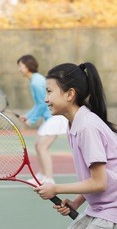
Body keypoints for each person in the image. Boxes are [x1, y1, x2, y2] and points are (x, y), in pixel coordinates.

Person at [35, 62, 117, 228]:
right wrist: (76, 202)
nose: (45, 99)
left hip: (112, 212)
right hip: (98, 209)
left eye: (49, 92)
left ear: (70, 94)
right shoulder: (74, 124)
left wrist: (56, 188)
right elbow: (93, 178)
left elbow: (99, 182)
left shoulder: (87, 127)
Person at [17, 55, 68, 185]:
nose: (19, 69)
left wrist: (31, 120)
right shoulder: (36, 79)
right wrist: (28, 115)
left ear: (28, 66)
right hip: (50, 118)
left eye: (21, 66)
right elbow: (39, 104)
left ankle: (49, 178)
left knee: (42, 147)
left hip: (55, 118)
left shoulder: (36, 81)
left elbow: (42, 104)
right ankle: (42, 175)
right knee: (38, 145)